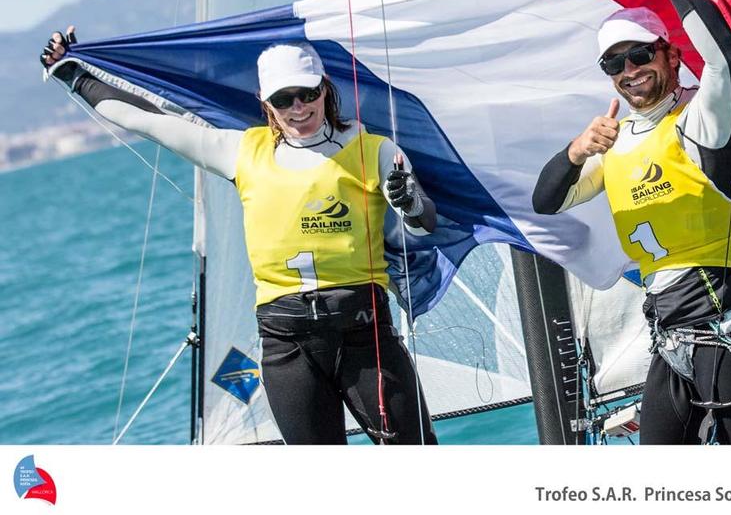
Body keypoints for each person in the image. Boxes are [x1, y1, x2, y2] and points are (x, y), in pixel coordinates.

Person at [41, 33, 438, 445]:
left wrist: (409, 204)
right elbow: (149, 119)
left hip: (364, 333)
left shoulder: (373, 149)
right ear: (265, 102)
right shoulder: (242, 151)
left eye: (307, 93)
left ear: (325, 88)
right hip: (287, 347)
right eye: (284, 100)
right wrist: (73, 73)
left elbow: (423, 224)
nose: (299, 109)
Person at [532, 0, 731, 444]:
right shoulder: (614, 144)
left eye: (641, 55)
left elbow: (724, 60)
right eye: (614, 64)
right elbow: (546, 201)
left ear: (669, 56)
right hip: (669, 345)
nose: (630, 71)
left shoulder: (702, 120)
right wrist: (576, 151)